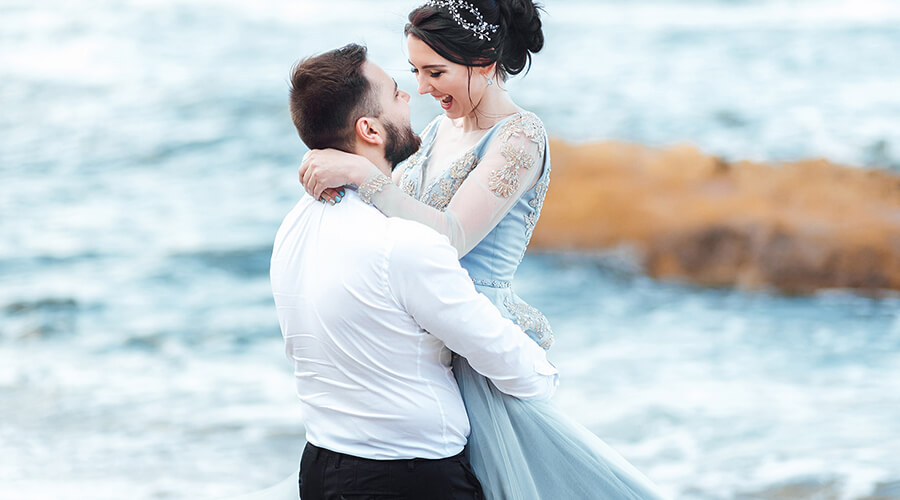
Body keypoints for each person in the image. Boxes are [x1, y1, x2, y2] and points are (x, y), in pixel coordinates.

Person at [298, 1, 668, 499]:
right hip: (426, 337)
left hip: (477, 343)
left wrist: (364, 176)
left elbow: (450, 237)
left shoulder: (520, 137)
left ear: (485, 63)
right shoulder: (438, 130)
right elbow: (394, 223)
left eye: (435, 72)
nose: (422, 88)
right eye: (415, 71)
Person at [269, 43, 560, 500]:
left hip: (320, 465)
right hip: (410, 477)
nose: (413, 93)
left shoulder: (294, 226)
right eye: (396, 90)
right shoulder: (404, 246)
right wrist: (545, 375)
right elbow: (514, 366)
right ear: (369, 129)